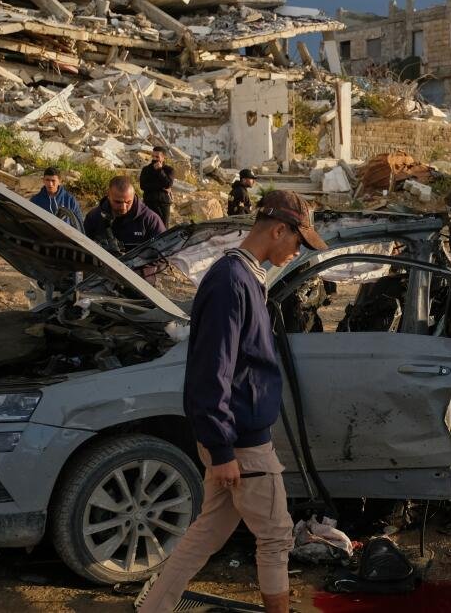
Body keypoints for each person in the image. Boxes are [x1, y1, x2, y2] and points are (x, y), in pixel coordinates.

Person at [136, 191, 327, 613]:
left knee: (208, 531)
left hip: (232, 436)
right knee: (276, 537)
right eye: (298, 241)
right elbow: (211, 370)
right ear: (279, 230)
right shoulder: (230, 281)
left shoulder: (243, 275)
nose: (298, 251)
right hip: (241, 442)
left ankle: (154, 608)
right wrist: (222, 450)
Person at [83, 176, 167, 282]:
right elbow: (82, 250)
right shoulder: (94, 217)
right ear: (108, 195)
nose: (123, 207)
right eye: (118, 202)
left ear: (134, 195)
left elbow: (165, 253)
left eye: (128, 202)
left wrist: (135, 265)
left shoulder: (150, 219)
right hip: (99, 281)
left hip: (139, 283)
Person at [140, 146, 175, 227]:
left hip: (163, 204)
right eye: (153, 156)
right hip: (149, 202)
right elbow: (143, 186)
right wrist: (161, 187)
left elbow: (168, 184)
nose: (154, 159)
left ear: (163, 157)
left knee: (163, 227)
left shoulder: (169, 170)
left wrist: (160, 171)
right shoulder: (146, 169)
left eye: (157, 157)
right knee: (148, 226)